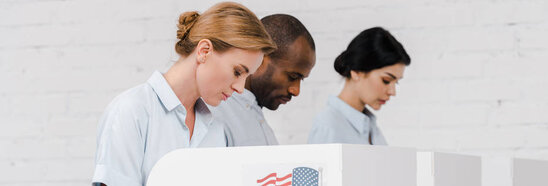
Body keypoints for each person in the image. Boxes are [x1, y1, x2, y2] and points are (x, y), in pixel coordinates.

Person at [91, 2, 276, 185]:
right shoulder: (131, 112)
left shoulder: (216, 129)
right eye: (237, 72)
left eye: (247, 77)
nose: (240, 88)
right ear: (204, 51)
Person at [209, 14, 316, 146]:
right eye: (292, 77)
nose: (296, 90)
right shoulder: (215, 117)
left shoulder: (256, 118)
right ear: (259, 58)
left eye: (302, 80)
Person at [308, 27, 411, 145]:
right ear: (356, 72)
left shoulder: (372, 128)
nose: (392, 92)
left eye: (396, 82)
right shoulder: (328, 126)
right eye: (386, 80)